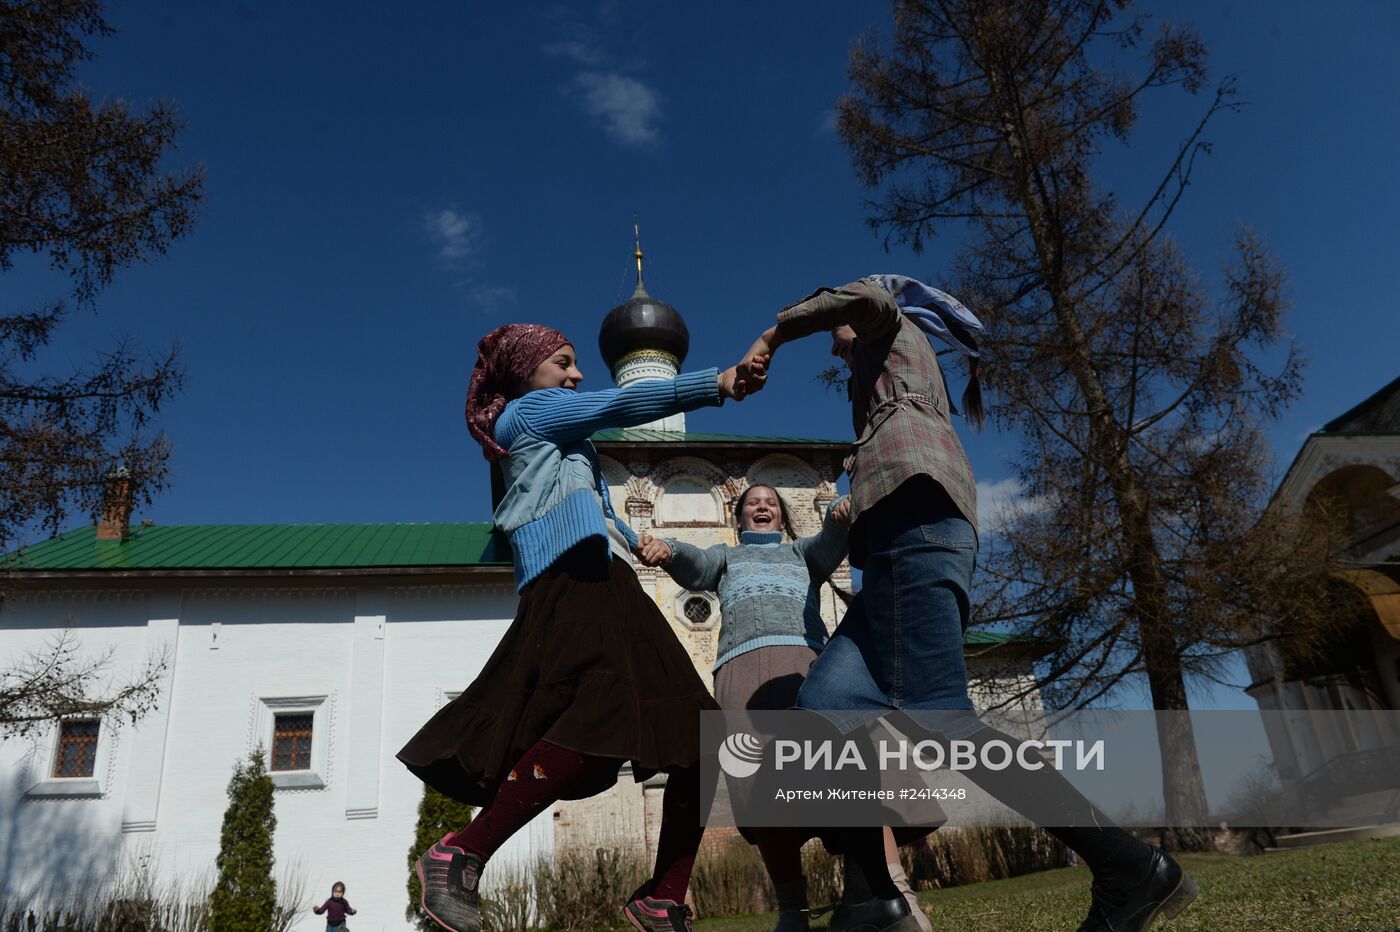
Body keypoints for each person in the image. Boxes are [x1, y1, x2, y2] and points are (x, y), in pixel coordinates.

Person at [741, 276, 1198, 932]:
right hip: (897, 545)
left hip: (918, 524)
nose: (835, 350)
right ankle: (871, 900)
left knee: (942, 719)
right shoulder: (875, 369)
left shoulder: (886, 323)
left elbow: (856, 302)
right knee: (823, 712)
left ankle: (1126, 865)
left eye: (835, 337)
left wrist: (774, 333)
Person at [397, 323, 766, 932]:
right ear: (525, 372)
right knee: (603, 708)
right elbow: (621, 402)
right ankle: (460, 852)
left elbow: (584, 502)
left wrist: (633, 539)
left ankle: (666, 895)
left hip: (609, 580)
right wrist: (718, 382)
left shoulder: (566, 442)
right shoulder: (529, 413)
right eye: (563, 363)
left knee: (700, 733)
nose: (577, 374)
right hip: (569, 580)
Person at [637, 486, 932, 932]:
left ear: (781, 516)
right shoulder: (726, 557)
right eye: (754, 502)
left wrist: (838, 513)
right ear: (739, 518)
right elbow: (695, 567)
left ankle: (896, 897)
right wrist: (670, 549)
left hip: (810, 670)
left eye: (771, 502)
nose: (762, 506)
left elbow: (831, 541)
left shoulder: (801, 554)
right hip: (742, 675)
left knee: (856, 771)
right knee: (762, 792)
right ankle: (792, 912)